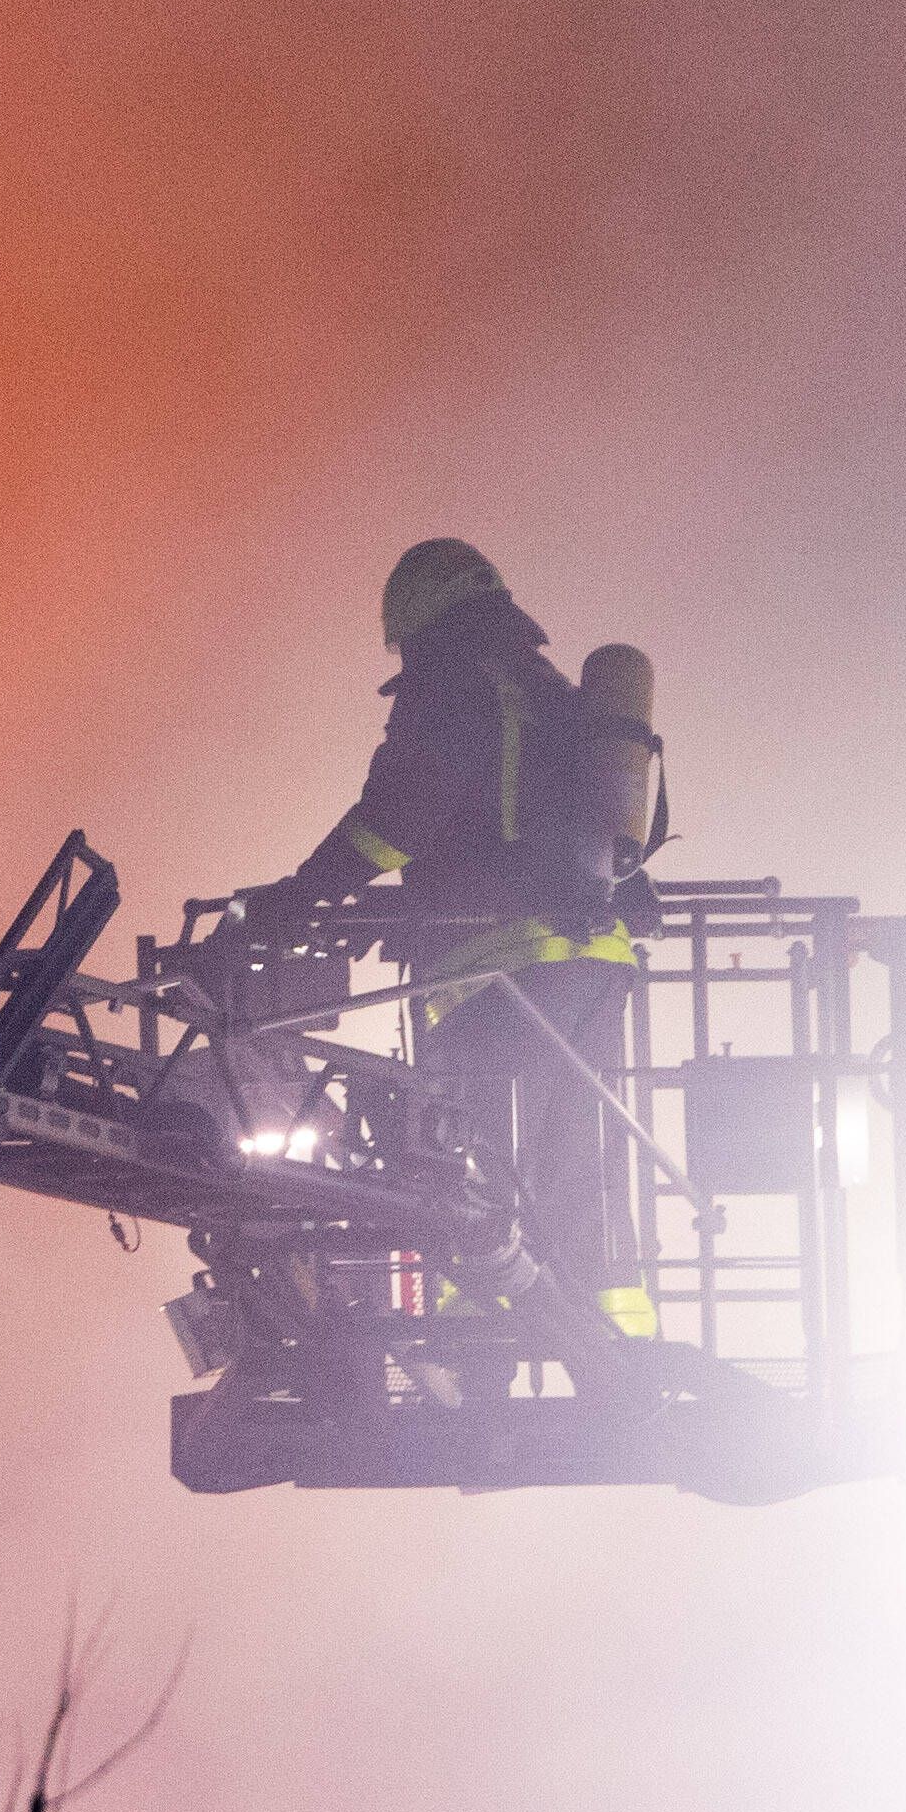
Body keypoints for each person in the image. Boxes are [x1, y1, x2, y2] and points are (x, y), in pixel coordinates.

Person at [246, 537, 658, 1323]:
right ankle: (622, 1352)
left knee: (467, 1173)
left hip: (494, 972)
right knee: (582, 1169)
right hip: (594, 964)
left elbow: (396, 820)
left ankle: (471, 1352)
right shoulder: (554, 692)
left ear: (418, 623)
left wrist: (298, 896)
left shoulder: (449, 685)